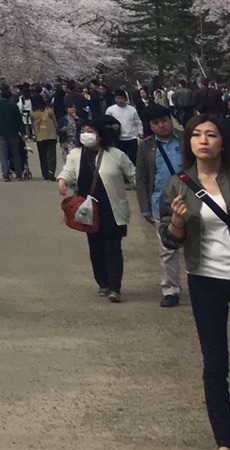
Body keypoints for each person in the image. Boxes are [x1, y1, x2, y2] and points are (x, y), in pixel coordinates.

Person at [159, 116, 230, 450]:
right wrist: (178, 222)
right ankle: (225, 441)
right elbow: (169, 238)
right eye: (197, 135)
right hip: (205, 279)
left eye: (211, 134)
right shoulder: (178, 184)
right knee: (215, 364)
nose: (203, 140)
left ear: (223, 142)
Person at [57, 112, 136, 302]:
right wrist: (63, 180)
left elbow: (134, 174)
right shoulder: (76, 154)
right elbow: (68, 171)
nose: (86, 135)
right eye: (83, 131)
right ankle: (103, 282)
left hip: (111, 208)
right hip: (88, 210)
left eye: (90, 131)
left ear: (99, 134)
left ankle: (115, 287)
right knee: (95, 247)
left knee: (113, 247)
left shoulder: (116, 155)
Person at [137, 105, 186, 307]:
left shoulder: (185, 139)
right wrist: (145, 208)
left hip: (190, 199)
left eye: (164, 120)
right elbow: (141, 178)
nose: (161, 125)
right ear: (150, 126)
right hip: (160, 203)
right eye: (156, 123)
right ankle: (171, 289)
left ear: (170, 119)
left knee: (197, 245)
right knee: (167, 249)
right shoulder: (147, 146)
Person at [0, 87, 26, 181]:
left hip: (1, 132)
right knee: (15, 153)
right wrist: (22, 131)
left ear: (1, 96)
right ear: (10, 97)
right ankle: (19, 173)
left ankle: (6, 174)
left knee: (3, 154)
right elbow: (19, 120)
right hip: (13, 132)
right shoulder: (14, 107)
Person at [107, 89, 145, 163]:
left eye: (121, 98)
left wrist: (140, 132)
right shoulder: (110, 110)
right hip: (118, 138)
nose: (120, 100)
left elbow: (137, 122)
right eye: (118, 98)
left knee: (134, 158)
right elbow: (106, 122)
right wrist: (112, 126)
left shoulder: (132, 109)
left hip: (131, 137)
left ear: (125, 98)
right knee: (121, 159)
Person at [32, 92, 60, 180]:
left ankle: (45, 173)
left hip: (39, 135)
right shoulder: (49, 111)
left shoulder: (32, 113)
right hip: (51, 135)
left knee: (42, 155)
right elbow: (55, 122)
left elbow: (32, 125)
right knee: (51, 154)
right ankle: (51, 171)